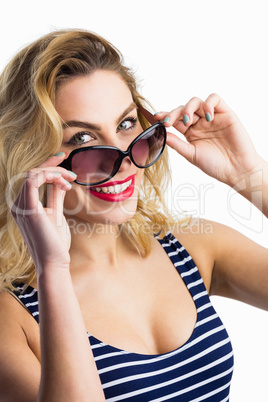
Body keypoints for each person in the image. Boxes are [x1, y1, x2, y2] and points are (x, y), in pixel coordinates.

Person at [0, 29, 267, 402]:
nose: (123, 159)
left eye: (126, 124)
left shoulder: (193, 247)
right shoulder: (12, 316)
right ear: (29, 157)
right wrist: (53, 270)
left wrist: (250, 176)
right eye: (82, 139)